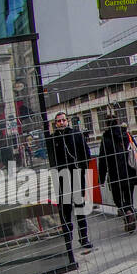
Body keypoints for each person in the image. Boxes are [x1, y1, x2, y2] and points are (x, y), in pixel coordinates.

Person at [47, 110, 92, 257]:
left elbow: (86, 154)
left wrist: (82, 170)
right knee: (65, 211)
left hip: (77, 176)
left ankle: (84, 238)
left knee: (80, 209)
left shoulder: (76, 135)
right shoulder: (53, 139)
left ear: (67, 121)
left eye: (63, 120)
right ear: (55, 124)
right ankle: (68, 237)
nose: (61, 123)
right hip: (61, 178)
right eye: (58, 121)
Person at [97, 109, 137, 234]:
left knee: (117, 198)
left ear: (106, 124)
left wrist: (101, 177)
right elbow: (135, 149)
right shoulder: (126, 134)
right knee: (129, 195)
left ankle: (127, 212)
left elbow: (103, 159)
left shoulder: (106, 139)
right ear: (117, 122)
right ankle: (130, 212)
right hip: (130, 171)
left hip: (115, 173)